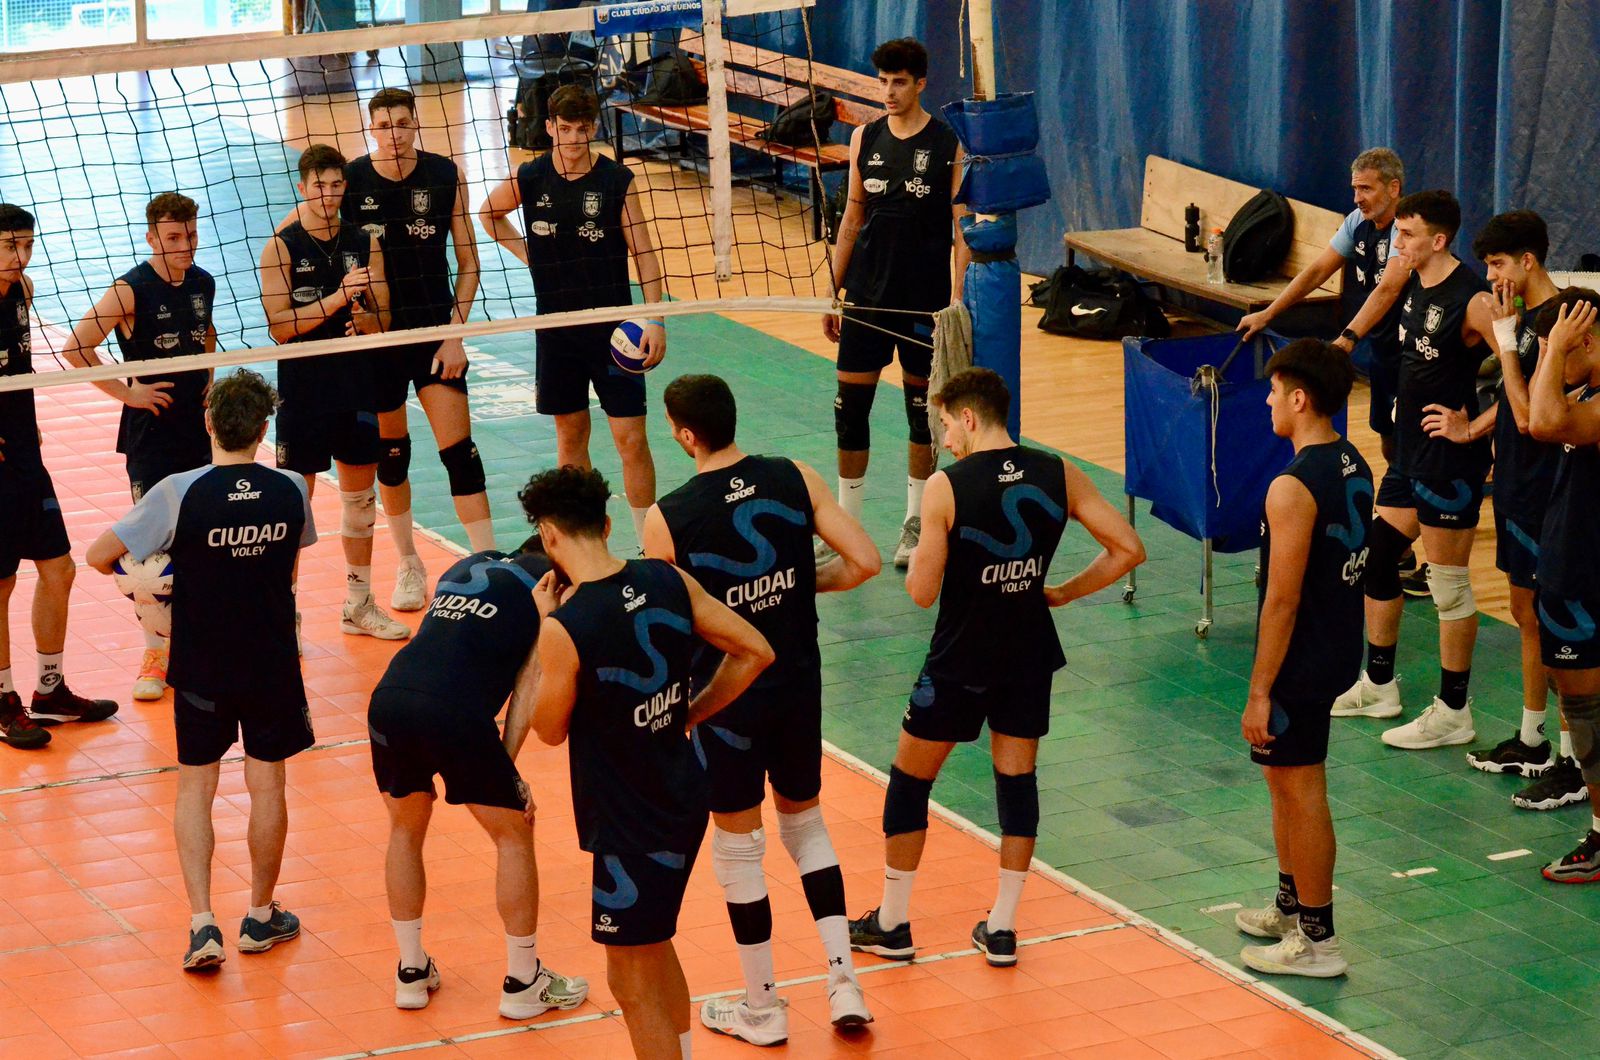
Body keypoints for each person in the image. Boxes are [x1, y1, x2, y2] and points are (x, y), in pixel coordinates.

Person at [848, 368, 1143, 966]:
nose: (945, 439)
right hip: (1028, 651)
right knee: (1017, 782)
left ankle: (893, 923)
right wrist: (1061, 592)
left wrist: (931, 548)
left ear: (969, 417)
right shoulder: (1059, 472)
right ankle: (1003, 928)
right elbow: (1128, 549)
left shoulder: (945, 486)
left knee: (910, 782)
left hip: (960, 657)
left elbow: (921, 594)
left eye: (946, 425)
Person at [642, 374, 880, 1044]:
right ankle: (844, 984)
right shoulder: (794, 475)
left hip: (727, 698)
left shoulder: (667, 516)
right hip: (798, 685)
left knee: (738, 847)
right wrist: (800, 587)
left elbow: (665, 624)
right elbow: (864, 561)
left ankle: (762, 1007)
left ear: (685, 434)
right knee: (806, 825)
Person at [524, 465, 774, 1059]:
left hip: (629, 825)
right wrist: (691, 711)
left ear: (549, 536)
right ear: (608, 524)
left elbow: (548, 730)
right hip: (682, 797)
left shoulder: (566, 627)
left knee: (630, 981)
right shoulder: (667, 579)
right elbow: (755, 650)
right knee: (654, 948)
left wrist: (541, 628)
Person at [87, 370, 315, 969]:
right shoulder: (293, 487)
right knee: (268, 785)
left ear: (208, 422)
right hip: (269, 660)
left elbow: (98, 555)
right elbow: (288, 568)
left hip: (202, 663)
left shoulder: (176, 491)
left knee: (196, 787)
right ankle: (260, 917)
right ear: (263, 429)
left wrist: (148, 580)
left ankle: (202, 926)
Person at [368, 534, 588, 1017]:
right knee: (514, 834)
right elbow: (528, 683)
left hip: (391, 696)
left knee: (404, 831)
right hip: (452, 709)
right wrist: (506, 769)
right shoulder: (547, 589)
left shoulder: (470, 564)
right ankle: (523, 982)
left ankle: (410, 972)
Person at [1331, 190, 1497, 750]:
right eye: (1396, 233)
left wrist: (1473, 427)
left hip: (1449, 460)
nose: (1396, 243)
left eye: (1406, 235)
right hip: (1408, 453)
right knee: (1378, 560)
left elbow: (1528, 370)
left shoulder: (1473, 299)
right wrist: (1346, 341)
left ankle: (1454, 712)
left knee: (1448, 588)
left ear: (1439, 240)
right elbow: (1381, 293)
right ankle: (1379, 686)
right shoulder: (1409, 275)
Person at [1234, 339, 1371, 979]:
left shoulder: (1291, 487)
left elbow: (1282, 600)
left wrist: (1260, 690)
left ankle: (1318, 941)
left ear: (1299, 398)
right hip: (1339, 643)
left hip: (1302, 658)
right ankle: (1291, 906)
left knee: (1301, 787)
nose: (1267, 401)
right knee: (1284, 781)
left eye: (1273, 391)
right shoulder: (1353, 460)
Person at [479, 85, 666, 551]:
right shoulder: (531, 175)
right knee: (570, 437)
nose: (575, 139)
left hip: (613, 329)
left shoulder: (616, 179)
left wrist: (656, 319)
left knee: (630, 439)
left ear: (594, 127)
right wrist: (529, 257)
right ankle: (585, 546)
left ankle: (648, 546)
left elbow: (644, 253)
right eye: (565, 129)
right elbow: (488, 213)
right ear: (549, 128)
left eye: (583, 129)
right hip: (557, 329)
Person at [1238, 148, 1424, 594]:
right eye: (1354, 188)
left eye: (1366, 188)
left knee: (1416, 452)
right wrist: (1269, 312)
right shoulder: (1356, 223)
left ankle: (1421, 546)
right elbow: (1318, 269)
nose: (1357, 197)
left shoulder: (1409, 232)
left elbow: (1388, 289)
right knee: (1389, 441)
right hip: (1383, 354)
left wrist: (1348, 337)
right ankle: (1402, 542)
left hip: (1417, 356)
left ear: (1393, 188)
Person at [60, 191, 216, 702]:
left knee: (198, 543)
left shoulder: (203, 282)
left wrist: (209, 378)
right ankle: (154, 652)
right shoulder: (130, 289)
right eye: (173, 238)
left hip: (196, 433)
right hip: (151, 439)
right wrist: (128, 393)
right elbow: (77, 348)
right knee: (150, 549)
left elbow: (207, 334)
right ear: (152, 238)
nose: (185, 246)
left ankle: (194, 645)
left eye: (191, 235)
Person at [821, 37, 969, 570]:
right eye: (882, 81)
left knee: (921, 416)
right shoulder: (865, 137)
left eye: (899, 82)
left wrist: (956, 298)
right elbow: (851, 218)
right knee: (849, 412)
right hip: (866, 296)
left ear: (921, 83)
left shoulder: (948, 143)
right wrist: (831, 291)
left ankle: (915, 524)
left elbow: (961, 230)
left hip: (922, 301)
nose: (888, 91)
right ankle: (847, 525)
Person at [342, 87, 493, 610]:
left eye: (402, 124)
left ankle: (489, 564)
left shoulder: (444, 174)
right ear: (371, 129)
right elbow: (315, 237)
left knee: (460, 454)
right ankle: (408, 562)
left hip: (433, 333)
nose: (394, 135)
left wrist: (455, 333)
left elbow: (469, 263)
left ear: (416, 124)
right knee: (392, 456)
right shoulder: (351, 180)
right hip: (381, 338)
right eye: (384, 126)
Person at [260, 142, 409, 641]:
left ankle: (358, 604)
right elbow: (280, 328)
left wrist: (368, 320)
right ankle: (284, 617)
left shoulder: (364, 241)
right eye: (318, 186)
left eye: (336, 185)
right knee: (292, 506)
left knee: (361, 501)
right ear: (302, 188)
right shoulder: (281, 247)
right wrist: (337, 299)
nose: (328, 195)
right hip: (303, 391)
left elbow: (384, 317)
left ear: (345, 187)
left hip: (355, 384)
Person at [1463, 212, 1580, 807]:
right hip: (1513, 484)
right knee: (1524, 613)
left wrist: (1506, 343)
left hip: (1547, 492)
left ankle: (1574, 758)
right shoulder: (1523, 321)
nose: (1491, 276)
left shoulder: (1562, 322)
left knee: (1557, 627)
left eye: (1498, 264)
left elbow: (1532, 416)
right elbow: (1510, 407)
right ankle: (1534, 739)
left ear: (1527, 261)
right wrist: (1475, 429)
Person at [0, 203, 119, 747]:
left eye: (28, 245)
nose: (22, 256)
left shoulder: (21, 292)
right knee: (1, 583)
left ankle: (49, 691)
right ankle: (3, 700)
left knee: (59, 570)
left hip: (26, 455)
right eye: (10, 246)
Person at [1527, 293, 1600, 882]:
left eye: (1555, 349)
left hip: (1586, 579)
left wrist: (1556, 349)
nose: (1547, 361)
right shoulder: (1586, 395)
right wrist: (1552, 351)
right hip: (1570, 570)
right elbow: (1537, 412)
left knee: (1588, 715)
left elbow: (1544, 421)